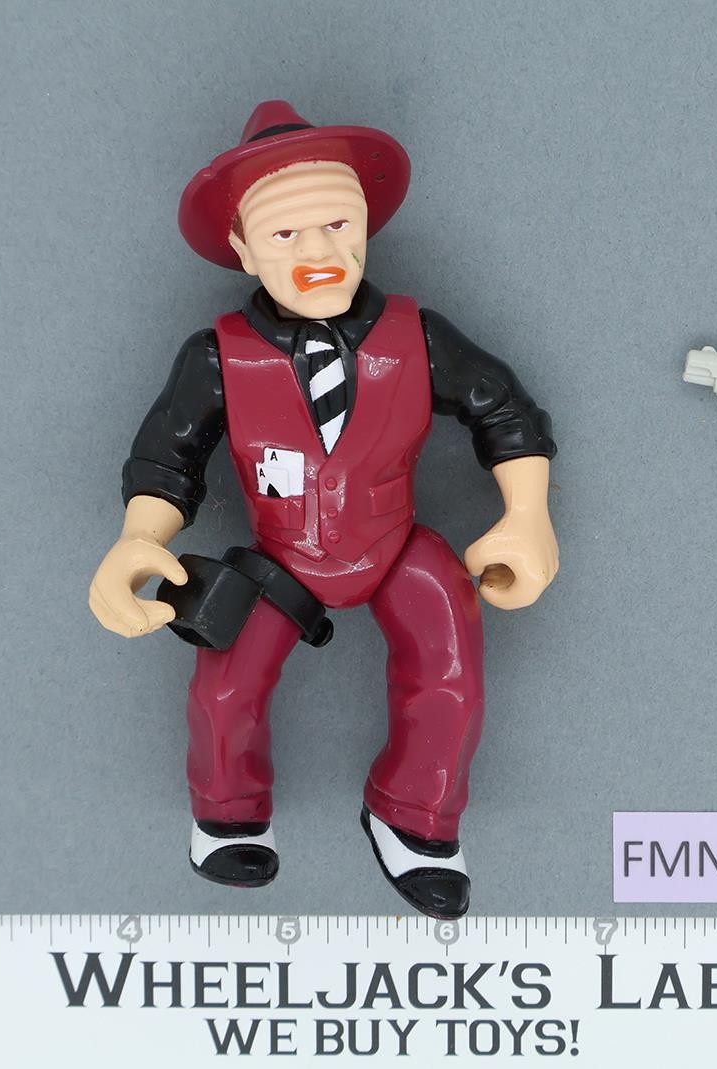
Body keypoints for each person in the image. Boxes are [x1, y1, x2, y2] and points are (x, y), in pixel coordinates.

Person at [89, 102, 559, 918]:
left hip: (395, 543)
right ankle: (227, 814)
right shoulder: (218, 357)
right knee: (226, 682)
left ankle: (415, 815)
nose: (317, 254)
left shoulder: (418, 337)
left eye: (338, 224)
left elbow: (504, 409)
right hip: (279, 556)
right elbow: (168, 457)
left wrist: (527, 512)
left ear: (366, 224)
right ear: (243, 248)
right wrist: (138, 537)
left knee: (450, 665)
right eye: (285, 234)